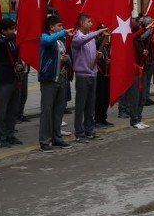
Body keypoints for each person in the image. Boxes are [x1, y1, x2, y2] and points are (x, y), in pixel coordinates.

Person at [38, 15, 74, 153]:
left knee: (58, 111)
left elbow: (67, 57)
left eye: (62, 26)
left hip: (61, 79)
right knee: (47, 112)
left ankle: (57, 138)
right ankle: (45, 141)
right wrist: (63, 32)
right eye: (59, 26)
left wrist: (67, 59)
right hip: (48, 79)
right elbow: (47, 41)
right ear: (51, 27)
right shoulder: (45, 37)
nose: (62, 28)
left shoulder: (61, 41)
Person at [71, 14, 108, 143]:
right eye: (88, 21)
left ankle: (89, 130)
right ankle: (79, 132)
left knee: (90, 105)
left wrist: (97, 56)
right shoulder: (77, 37)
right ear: (81, 23)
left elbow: (91, 49)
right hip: (82, 75)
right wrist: (98, 32)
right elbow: (83, 41)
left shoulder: (91, 37)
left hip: (93, 73)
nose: (91, 24)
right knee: (81, 105)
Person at [0, 18, 24, 148]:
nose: (13, 31)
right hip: (3, 79)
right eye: (10, 29)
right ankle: (1, 137)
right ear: (3, 31)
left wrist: (20, 64)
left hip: (14, 77)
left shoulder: (13, 41)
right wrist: (16, 34)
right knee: (1, 110)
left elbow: (17, 56)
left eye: (14, 29)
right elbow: (1, 42)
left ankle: (10, 134)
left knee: (13, 109)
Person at [127, 18, 154, 130]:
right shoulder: (130, 39)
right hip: (134, 73)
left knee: (142, 97)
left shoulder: (139, 41)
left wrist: (145, 53)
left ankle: (139, 118)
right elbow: (133, 37)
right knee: (135, 97)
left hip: (142, 70)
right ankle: (134, 120)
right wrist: (146, 28)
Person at [94, 30, 112, 128]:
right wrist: (103, 36)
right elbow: (97, 44)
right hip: (100, 75)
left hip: (107, 75)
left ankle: (103, 118)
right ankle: (97, 119)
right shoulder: (98, 47)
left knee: (106, 98)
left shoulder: (106, 48)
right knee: (99, 99)